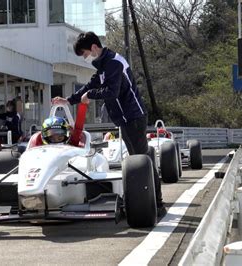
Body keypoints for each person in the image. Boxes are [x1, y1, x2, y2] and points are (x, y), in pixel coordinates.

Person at [52, 32, 164, 213]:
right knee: (139, 160)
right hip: (126, 119)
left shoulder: (113, 63)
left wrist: (90, 96)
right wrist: (68, 100)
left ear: (94, 47)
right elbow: (91, 85)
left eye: (85, 54)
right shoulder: (104, 66)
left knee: (141, 161)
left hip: (133, 117)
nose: (85, 59)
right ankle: (149, 200)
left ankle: (156, 202)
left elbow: (112, 91)